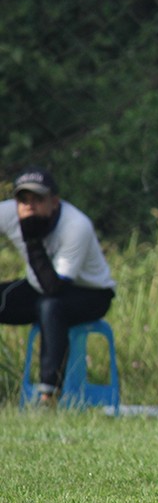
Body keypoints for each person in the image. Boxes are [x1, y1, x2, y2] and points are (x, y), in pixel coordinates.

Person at [0, 167, 116, 404]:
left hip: (91, 293)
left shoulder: (76, 226)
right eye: (23, 199)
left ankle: (48, 394)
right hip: (40, 287)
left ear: (54, 202)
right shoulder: (9, 214)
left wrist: (32, 241)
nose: (29, 206)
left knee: (50, 307)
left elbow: (54, 288)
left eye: (38, 199)